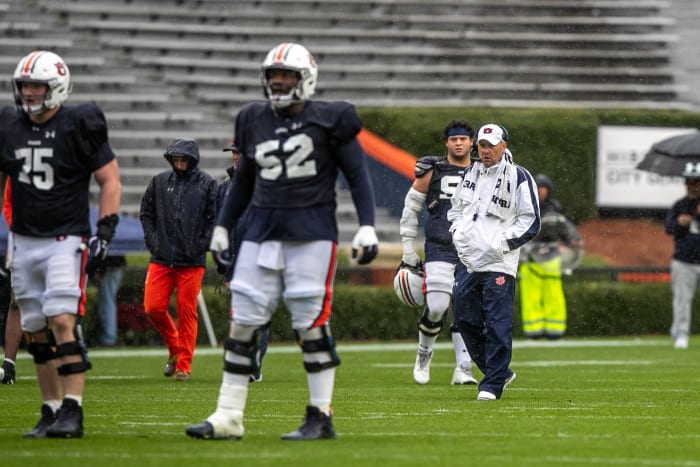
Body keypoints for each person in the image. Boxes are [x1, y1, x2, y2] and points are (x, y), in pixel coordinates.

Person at [186, 42, 378, 441]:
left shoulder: (331, 118)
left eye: (286, 77)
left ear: (305, 79)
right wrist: (224, 225)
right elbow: (244, 180)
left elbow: (358, 174)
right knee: (242, 324)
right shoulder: (252, 118)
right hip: (260, 231)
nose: (277, 83)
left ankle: (320, 415)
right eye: (273, 77)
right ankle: (228, 415)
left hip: (311, 234)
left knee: (310, 325)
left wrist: (367, 225)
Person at [0, 50, 122, 437]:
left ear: (57, 86)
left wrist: (105, 229)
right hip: (23, 238)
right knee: (35, 327)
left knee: (62, 320)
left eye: (37, 85)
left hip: (64, 238)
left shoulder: (79, 122)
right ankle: (50, 409)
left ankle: (74, 408)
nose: (30, 93)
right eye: (25, 86)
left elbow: (110, 179)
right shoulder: (9, 124)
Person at [448, 123, 540, 401]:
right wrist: (457, 235)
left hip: (499, 263)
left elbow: (532, 220)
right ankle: (496, 370)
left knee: (497, 322)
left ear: (504, 146)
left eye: (491, 146)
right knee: (463, 317)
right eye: (482, 146)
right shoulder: (469, 173)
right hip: (469, 261)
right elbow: (456, 210)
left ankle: (491, 385)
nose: (485, 151)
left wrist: (501, 244)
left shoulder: (520, 176)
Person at [399, 119, 478, 385]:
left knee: (467, 308)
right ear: (447, 142)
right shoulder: (432, 171)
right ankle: (424, 353)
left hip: (472, 248)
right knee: (436, 306)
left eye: (463, 139)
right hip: (440, 246)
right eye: (454, 139)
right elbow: (410, 211)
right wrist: (408, 251)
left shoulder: (483, 171)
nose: (458, 143)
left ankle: (463, 368)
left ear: (472, 142)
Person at [140, 137, 217, 381]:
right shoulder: (160, 182)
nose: (179, 162)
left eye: (183, 158)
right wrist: (154, 243)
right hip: (161, 258)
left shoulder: (207, 184)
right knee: (152, 307)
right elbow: (146, 213)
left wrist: (201, 245)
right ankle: (175, 348)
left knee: (187, 311)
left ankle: (184, 365)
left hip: (192, 262)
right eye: (176, 158)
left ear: (193, 159)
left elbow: (215, 219)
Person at [216, 142, 269, 382]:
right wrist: (223, 264)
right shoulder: (225, 187)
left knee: (259, 315)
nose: (235, 157)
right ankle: (243, 360)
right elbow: (220, 226)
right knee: (239, 316)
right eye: (233, 153)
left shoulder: (265, 187)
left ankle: (254, 361)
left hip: (260, 261)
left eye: (239, 152)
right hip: (235, 263)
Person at [518, 174, 577, 340]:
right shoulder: (524, 206)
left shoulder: (555, 208)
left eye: (544, 188)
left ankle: (555, 331)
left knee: (554, 294)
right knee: (531, 296)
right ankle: (533, 332)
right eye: (538, 188)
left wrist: (567, 244)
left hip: (551, 256)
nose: (541, 192)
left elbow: (563, 228)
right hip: (530, 258)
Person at [664, 170, 700, 350]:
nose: (693, 187)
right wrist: (680, 223)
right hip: (684, 260)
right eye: (690, 183)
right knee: (682, 300)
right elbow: (669, 228)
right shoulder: (680, 205)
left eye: (697, 183)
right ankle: (681, 333)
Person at [1, 182, 21, 384]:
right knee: (17, 301)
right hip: (22, 239)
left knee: (55, 301)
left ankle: (59, 356)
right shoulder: (15, 170)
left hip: (54, 237)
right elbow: (8, 203)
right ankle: (9, 365)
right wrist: (17, 226)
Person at [89, 255, 126, 347]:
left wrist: (99, 271)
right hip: (113, 266)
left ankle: (108, 339)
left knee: (107, 304)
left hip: (109, 268)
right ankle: (108, 337)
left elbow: (106, 251)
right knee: (107, 303)